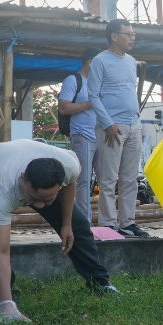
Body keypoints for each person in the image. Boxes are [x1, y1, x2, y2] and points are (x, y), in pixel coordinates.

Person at [0, 140, 119, 324]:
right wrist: (6, 303)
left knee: (78, 225)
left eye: (47, 199)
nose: (39, 206)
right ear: (23, 179)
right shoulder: (2, 187)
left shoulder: (69, 164)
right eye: (33, 198)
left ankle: (101, 283)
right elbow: (0, 249)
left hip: (24, 160)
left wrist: (66, 223)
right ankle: (5, 301)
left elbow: (70, 182)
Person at [88, 19, 148, 238]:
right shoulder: (100, 61)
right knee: (109, 179)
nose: (132, 37)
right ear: (114, 36)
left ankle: (127, 223)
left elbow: (130, 93)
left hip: (133, 126)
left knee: (131, 178)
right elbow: (93, 95)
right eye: (128, 34)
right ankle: (107, 225)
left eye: (133, 34)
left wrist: (138, 124)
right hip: (111, 127)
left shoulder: (132, 61)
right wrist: (108, 123)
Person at [58, 47, 102, 224]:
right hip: (82, 134)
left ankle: (108, 222)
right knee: (83, 180)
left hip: (102, 135)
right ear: (90, 62)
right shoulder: (73, 80)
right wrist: (90, 103)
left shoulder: (100, 82)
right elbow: (63, 107)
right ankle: (85, 222)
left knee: (106, 180)